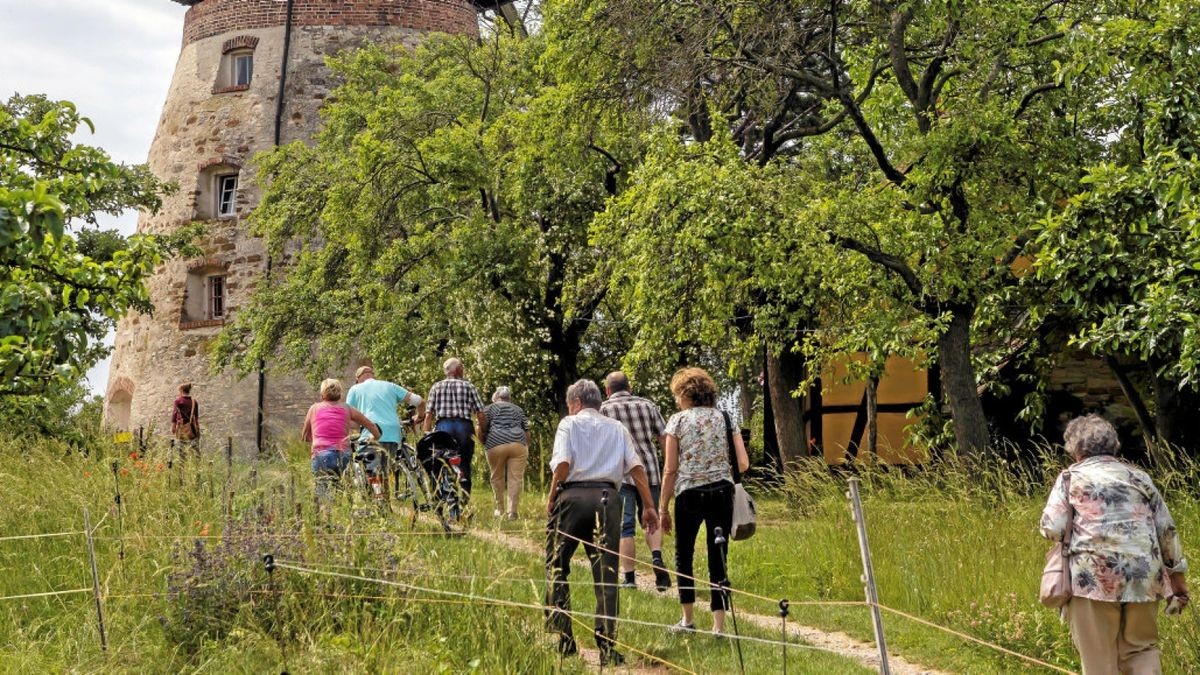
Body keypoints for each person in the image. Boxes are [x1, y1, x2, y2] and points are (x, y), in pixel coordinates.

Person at [1040, 414, 1189, 674]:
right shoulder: (1140, 478)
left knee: (1100, 660)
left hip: (1093, 579)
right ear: (1113, 445)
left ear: (1076, 450)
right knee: (1142, 650)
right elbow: (1167, 530)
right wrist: (1177, 578)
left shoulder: (1069, 478)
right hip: (1144, 577)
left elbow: (1051, 527)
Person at [545, 379, 659, 665]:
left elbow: (562, 464)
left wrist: (550, 496)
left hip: (571, 497)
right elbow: (636, 468)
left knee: (556, 565)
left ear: (577, 403)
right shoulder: (617, 428)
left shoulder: (568, 424)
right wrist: (649, 506)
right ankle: (607, 645)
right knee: (606, 573)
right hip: (608, 498)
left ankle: (564, 636)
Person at [658, 367, 750, 636]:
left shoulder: (677, 421)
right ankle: (719, 626)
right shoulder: (725, 417)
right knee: (718, 556)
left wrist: (663, 506)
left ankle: (687, 620)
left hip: (689, 493)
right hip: (722, 492)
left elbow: (670, 469)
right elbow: (743, 463)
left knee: (683, 554)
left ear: (685, 394)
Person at [601, 371, 671, 591]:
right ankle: (657, 557)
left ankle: (630, 578)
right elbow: (663, 438)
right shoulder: (648, 405)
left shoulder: (605, 410)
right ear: (629, 387)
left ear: (607, 390)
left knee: (625, 526)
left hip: (621, 475)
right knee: (653, 518)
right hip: (649, 470)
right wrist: (668, 467)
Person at [303, 378, 381, 502]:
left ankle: (325, 516)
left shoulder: (314, 408)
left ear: (322, 394)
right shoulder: (347, 408)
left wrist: (316, 441)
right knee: (340, 488)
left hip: (321, 454)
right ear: (340, 393)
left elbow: (305, 435)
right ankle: (340, 509)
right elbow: (371, 425)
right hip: (343, 454)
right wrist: (375, 438)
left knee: (323, 492)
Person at [423, 357, 485, 500]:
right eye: (461, 367)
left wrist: (426, 435)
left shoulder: (436, 387)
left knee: (444, 463)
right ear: (457, 369)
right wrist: (484, 431)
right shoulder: (469, 386)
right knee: (464, 464)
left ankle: (449, 498)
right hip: (464, 427)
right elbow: (480, 413)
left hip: (443, 427)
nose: (463, 370)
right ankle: (464, 501)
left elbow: (428, 415)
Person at [346, 366, 425, 461]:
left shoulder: (355, 389)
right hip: (393, 435)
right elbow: (419, 401)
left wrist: (360, 425)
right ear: (373, 375)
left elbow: (347, 417)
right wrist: (420, 416)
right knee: (389, 470)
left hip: (370, 435)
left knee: (372, 472)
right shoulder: (390, 385)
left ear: (358, 379)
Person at [479, 386, 529, 520]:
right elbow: (527, 430)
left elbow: (481, 426)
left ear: (496, 398)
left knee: (496, 476)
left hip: (496, 442)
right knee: (516, 478)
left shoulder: (489, 408)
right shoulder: (518, 409)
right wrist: (525, 444)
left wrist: (483, 439)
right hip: (518, 443)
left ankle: (499, 509)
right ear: (509, 398)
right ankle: (512, 512)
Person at [171, 383, 201, 453]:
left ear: (181, 390)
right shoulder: (194, 402)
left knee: (182, 451)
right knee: (194, 451)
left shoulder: (178, 401)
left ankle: (183, 464)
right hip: (193, 429)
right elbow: (196, 417)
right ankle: (195, 463)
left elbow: (175, 415)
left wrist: (173, 427)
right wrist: (197, 430)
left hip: (181, 428)